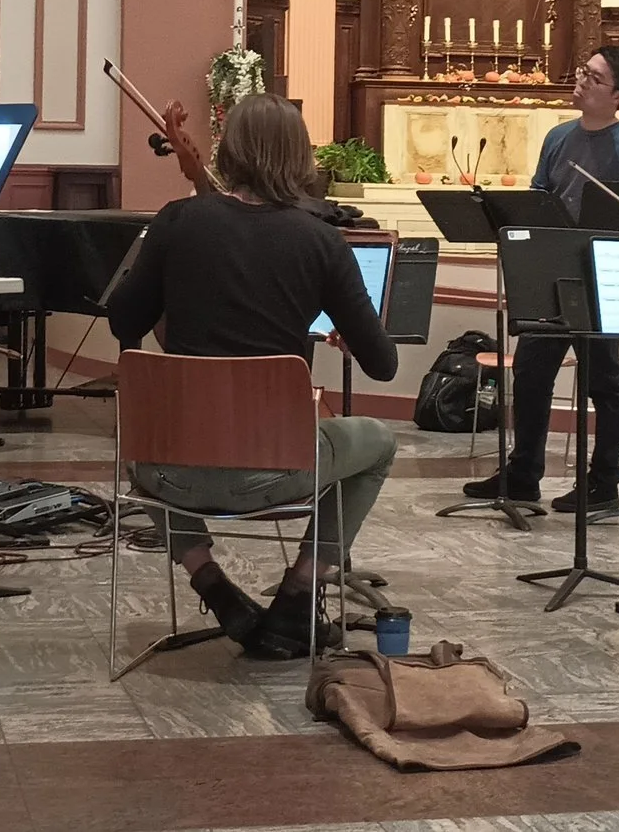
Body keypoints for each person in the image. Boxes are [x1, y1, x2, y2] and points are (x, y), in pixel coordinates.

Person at [106, 94, 399, 659]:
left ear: (230, 150)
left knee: (139, 428)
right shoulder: (321, 242)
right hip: (272, 470)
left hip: (166, 469)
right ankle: (298, 594)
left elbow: (124, 321)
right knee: (379, 444)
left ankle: (212, 585)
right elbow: (382, 365)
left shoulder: (176, 221)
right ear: (299, 160)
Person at [461, 44, 619, 513]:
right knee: (533, 374)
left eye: (594, 78)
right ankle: (523, 475)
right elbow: (541, 195)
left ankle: (603, 482)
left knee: (605, 382)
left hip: (598, 279)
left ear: (618, 96)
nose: (581, 82)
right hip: (551, 273)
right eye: (583, 72)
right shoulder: (558, 137)